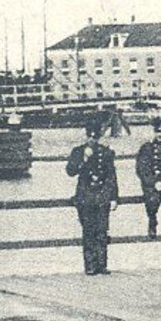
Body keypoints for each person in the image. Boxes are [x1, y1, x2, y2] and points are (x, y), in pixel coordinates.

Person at [66, 117, 119, 276]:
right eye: (90, 136)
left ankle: (102, 265)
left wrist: (114, 197)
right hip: (85, 195)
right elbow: (70, 171)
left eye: (95, 137)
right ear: (86, 135)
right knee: (88, 231)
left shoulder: (106, 152)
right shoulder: (78, 151)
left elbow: (111, 176)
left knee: (102, 231)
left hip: (101, 195)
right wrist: (84, 159)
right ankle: (90, 266)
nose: (92, 140)